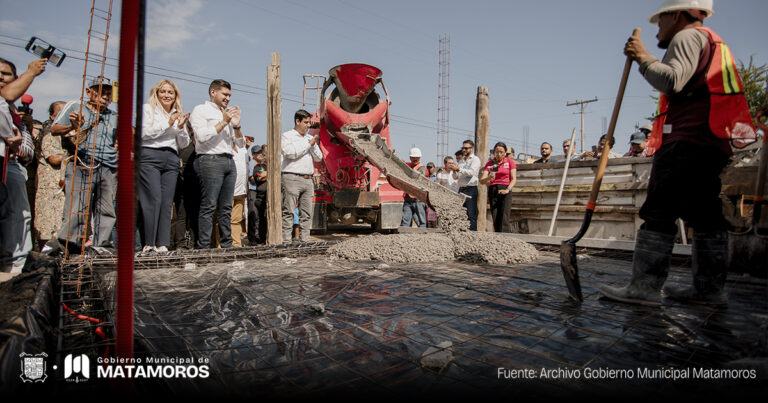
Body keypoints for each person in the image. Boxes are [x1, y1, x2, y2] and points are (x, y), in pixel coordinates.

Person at [599, 0, 756, 307]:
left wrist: (643, 57)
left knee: (659, 211)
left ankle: (644, 288)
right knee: (705, 214)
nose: (659, 27)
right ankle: (709, 290)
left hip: (687, 140)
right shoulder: (711, 40)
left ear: (676, 15)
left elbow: (672, 80)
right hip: (710, 140)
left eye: (661, 20)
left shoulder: (686, 37)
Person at [51, 76, 118, 254]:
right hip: (82, 162)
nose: (105, 96)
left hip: (108, 166)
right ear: (89, 92)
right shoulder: (75, 106)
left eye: (108, 93)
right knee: (77, 207)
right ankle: (70, 246)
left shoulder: (114, 116)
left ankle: (101, 246)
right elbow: (54, 128)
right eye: (100, 91)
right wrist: (73, 126)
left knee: (106, 209)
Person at [0, 57, 45, 272]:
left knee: (18, 214)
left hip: (13, 165)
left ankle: (16, 263)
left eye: (6, 74)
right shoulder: (4, 100)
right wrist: (32, 72)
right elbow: (7, 94)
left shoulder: (11, 110)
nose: (1, 77)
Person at [189, 79, 244, 249]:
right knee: (209, 205)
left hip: (229, 160)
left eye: (229, 95)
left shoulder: (225, 113)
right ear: (213, 92)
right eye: (225, 94)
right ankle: (204, 246)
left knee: (226, 207)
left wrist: (236, 125)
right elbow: (202, 136)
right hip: (209, 159)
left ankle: (226, 245)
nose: (228, 98)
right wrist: (224, 122)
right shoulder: (201, 110)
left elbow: (240, 144)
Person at [138, 80, 190, 254]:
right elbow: (144, 133)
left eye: (171, 92)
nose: (167, 95)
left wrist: (181, 127)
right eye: (163, 92)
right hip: (151, 155)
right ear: (156, 93)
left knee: (167, 203)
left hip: (172, 157)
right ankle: (148, 243)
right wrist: (168, 124)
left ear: (175, 96)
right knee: (153, 199)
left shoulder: (177, 114)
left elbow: (183, 143)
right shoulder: (147, 109)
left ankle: (162, 244)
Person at [281, 109, 322, 243]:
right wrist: (308, 144)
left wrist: (313, 145)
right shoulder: (287, 136)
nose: (308, 126)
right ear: (297, 121)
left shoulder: (310, 138)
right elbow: (291, 153)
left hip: (308, 180)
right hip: (291, 177)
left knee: (306, 214)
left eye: (309, 123)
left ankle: (305, 242)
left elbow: (319, 158)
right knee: (288, 211)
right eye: (305, 122)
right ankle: (286, 241)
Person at [35, 101, 66, 251]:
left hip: (62, 188)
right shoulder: (49, 133)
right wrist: (70, 155)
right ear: (52, 115)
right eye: (60, 113)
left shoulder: (67, 135)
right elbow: (53, 158)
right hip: (49, 187)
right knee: (46, 225)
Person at [479, 142, 517, 232]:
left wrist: (508, 189)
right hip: (494, 189)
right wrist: (489, 177)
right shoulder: (491, 163)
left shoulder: (510, 162)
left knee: (504, 215)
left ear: (505, 153)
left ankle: (506, 237)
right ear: (494, 152)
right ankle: (498, 236)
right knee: (495, 215)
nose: (499, 154)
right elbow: (482, 180)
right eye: (496, 152)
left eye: (501, 152)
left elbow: (514, 179)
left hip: (506, 188)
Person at [450, 139, 481, 230]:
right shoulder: (461, 161)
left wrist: (458, 169)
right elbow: (456, 177)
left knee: (471, 215)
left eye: (466, 148)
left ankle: (472, 235)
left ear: (472, 148)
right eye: (463, 148)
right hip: (461, 189)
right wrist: (454, 170)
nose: (464, 150)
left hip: (470, 189)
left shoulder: (475, 159)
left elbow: (472, 172)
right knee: (461, 214)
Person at [400, 147, 427, 228]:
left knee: (421, 221)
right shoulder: (408, 166)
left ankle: (424, 238)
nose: (415, 159)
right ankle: (403, 238)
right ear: (410, 157)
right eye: (413, 157)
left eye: (417, 157)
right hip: (408, 199)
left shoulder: (422, 168)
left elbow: (417, 178)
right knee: (405, 221)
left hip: (418, 199)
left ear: (419, 158)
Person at [231, 134, 249, 247]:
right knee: (222, 219)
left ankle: (236, 243)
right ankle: (220, 245)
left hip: (241, 190)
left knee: (237, 219)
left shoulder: (244, 152)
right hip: (229, 189)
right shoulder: (226, 148)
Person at [247, 144, 267, 245]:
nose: (259, 154)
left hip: (263, 192)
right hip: (254, 191)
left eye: (260, 152)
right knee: (253, 214)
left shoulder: (265, 164)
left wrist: (263, 177)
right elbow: (253, 179)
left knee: (262, 216)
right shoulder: (251, 164)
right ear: (253, 155)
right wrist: (262, 177)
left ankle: (261, 237)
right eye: (256, 153)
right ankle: (252, 238)